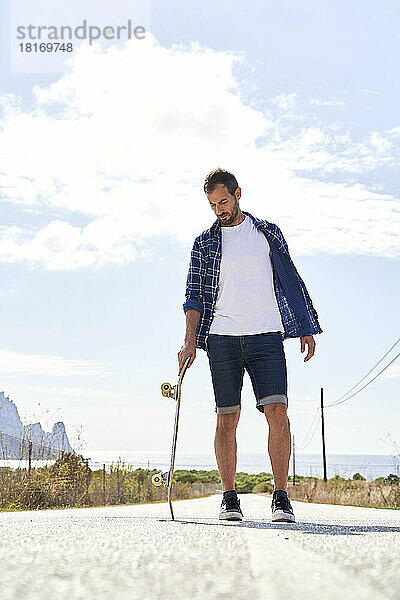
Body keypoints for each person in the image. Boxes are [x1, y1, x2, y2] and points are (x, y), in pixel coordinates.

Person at [178, 168, 323, 522]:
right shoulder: (204, 243)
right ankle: (229, 496)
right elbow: (194, 296)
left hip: (267, 336)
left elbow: (290, 278)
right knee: (227, 417)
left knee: (277, 412)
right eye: (213, 205)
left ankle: (280, 496)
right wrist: (189, 342)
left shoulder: (267, 233)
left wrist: (304, 326)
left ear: (238, 193)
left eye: (224, 201)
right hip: (222, 338)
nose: (219, 210)